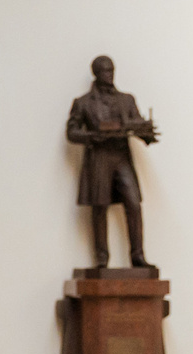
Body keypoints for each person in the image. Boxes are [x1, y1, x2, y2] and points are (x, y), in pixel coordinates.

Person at [64, 55, 160, 269]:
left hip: (121, 156)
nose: (109, 75)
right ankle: (101, 258)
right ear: (96, 74)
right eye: (105, 71)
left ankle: (137, 255)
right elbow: (71, 132)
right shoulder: (84, 103)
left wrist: (146, 133)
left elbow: (137, 125)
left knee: (133, 203)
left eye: (111, 70)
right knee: (100, 206)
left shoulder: (127, 100)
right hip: (99, 157)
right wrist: (91, 137)